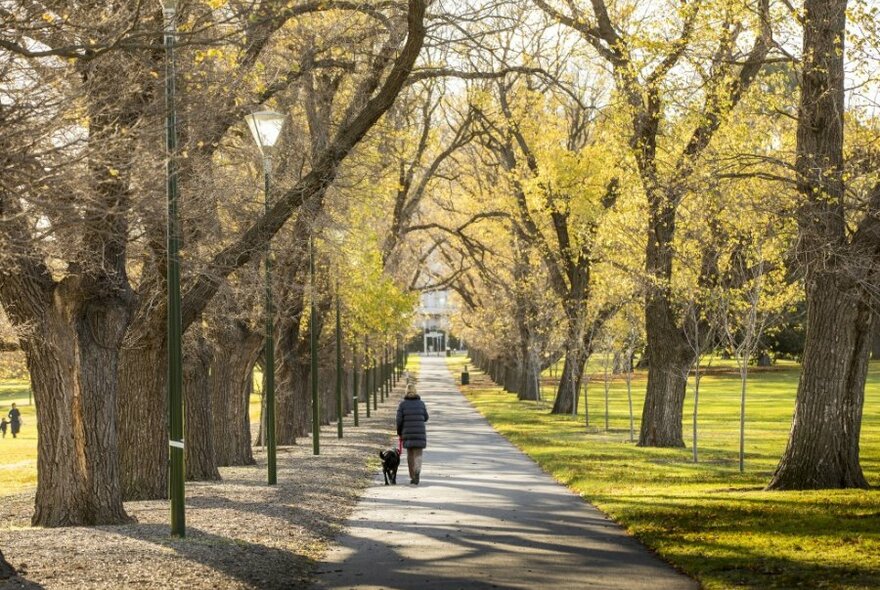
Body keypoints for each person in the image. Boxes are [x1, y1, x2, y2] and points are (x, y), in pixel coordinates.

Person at [396, 383, 429, 485]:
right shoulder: (421, 403)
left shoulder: (402, 405)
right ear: (415, 391)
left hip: (407, 433)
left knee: (410, 455)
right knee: (418, 454)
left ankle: (412, 476)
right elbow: (426, 417)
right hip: (419, 433)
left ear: (406, 391)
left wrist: (399, 432)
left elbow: (399, 420)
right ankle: (417, 471)